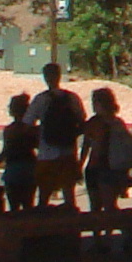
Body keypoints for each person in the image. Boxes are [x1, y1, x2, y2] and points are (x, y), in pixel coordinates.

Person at [79, 86, 132, 242]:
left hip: (96, 168)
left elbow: (86, 147)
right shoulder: (118, 123)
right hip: (115, 168)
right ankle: (111, 235)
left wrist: (79, 165)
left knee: (96, 207)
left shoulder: (93, 123)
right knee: (110, 206)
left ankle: (98, 237)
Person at [28, 63, 86, 209]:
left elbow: (27, 123)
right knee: (69, 195)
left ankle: (43, 228)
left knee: (43, 196)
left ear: (45, 78)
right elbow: (82, 123)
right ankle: (72, 226)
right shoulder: (72, 98)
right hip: (68, 152)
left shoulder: (40, 99)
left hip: (46, 153)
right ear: (59, 76)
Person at [0, 91, 39, 212]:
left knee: (14, 208)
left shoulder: (10, 130)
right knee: (28, 206)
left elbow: (5, 152)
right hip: (30, 169)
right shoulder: (32, 129)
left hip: (13, 170)